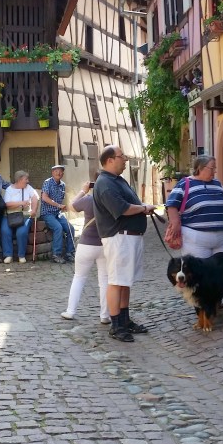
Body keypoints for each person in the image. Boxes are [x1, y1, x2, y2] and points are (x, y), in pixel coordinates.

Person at [93, 145, 155, 342]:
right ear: (110, 160)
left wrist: (142, 208)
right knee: (116, 281)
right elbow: (121, 209)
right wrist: (143, 208)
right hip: (119, 238)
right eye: (122, 156)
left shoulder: (116, 180)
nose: (126, 160)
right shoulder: (105, 183)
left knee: (125, 281)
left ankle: (125, 320)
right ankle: (116, 325)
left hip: (128, 237)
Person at [165, 155, 223, 259]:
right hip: (195, 239)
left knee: (222, 268)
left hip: (221, 239)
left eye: (215, 168)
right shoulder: (184, 184)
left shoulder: (218, 184)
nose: (215, 171)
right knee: (198, 268)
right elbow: (172, 204)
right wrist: (175, 223)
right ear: (200, 168)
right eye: (212, 168)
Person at [60, 176, 109, 324]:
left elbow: (71, 206)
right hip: (104, 244)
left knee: (79, 278)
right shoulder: (111, 201)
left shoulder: (88, 200)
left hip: (86, 244)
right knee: (104, 280)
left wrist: (83, 191)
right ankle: (105, 315)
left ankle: (70, 311)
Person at [1, 170, 39, 264]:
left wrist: (34, 210)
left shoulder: (28, 188)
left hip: (24, 214)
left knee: (21, 232)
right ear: (19, 180)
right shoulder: (9, 189)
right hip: (9, 215)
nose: (28, 181)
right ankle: (8, 255)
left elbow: (35, 197)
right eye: (26, 179)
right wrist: (21, 203)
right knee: (5, 231)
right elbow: (7, 204)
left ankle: (21, 255)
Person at [41, 164, 75, 264]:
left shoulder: (63, 184)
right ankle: (56, 254)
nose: (58, 173)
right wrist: (58, 205)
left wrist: (63, 207)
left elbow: (61, 199)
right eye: (56, 171)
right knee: (58, 228)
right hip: (47, 213)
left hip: (58, 213)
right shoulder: (47, 182)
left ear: (63, 173)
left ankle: (69, 253)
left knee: (71, 228)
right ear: (52, 173)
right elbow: (44, 198)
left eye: (60, 171)